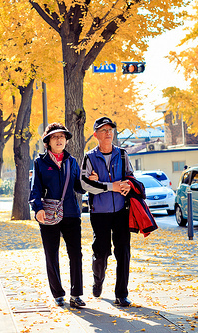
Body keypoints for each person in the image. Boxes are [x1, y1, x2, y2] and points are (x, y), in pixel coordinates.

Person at [29, 123, 86, 308]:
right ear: (48, 141)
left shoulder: (72, 161)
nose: (60, 139)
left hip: (71, 213)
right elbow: (35, 188)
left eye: (62, 136)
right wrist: (37, 209)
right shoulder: (40, 163)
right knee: (51, 255)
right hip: (48, 214)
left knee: (76, 254)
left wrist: (87, 181)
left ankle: (76, 294)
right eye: (55, 137)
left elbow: (78, 187)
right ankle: (58, 294)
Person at [80, 116, 134, 307]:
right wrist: (111, 186)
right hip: (99, 212)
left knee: (123, 252)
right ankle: (98, 279)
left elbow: (130, 177)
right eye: (103, 130)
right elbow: (85, 183)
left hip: (121, 211)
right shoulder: (90, 157)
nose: (108, 133)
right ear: (96, 135)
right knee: (101, 252)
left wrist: (128, 186)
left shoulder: (122, 154)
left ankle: (121, 294)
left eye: (110, 129)